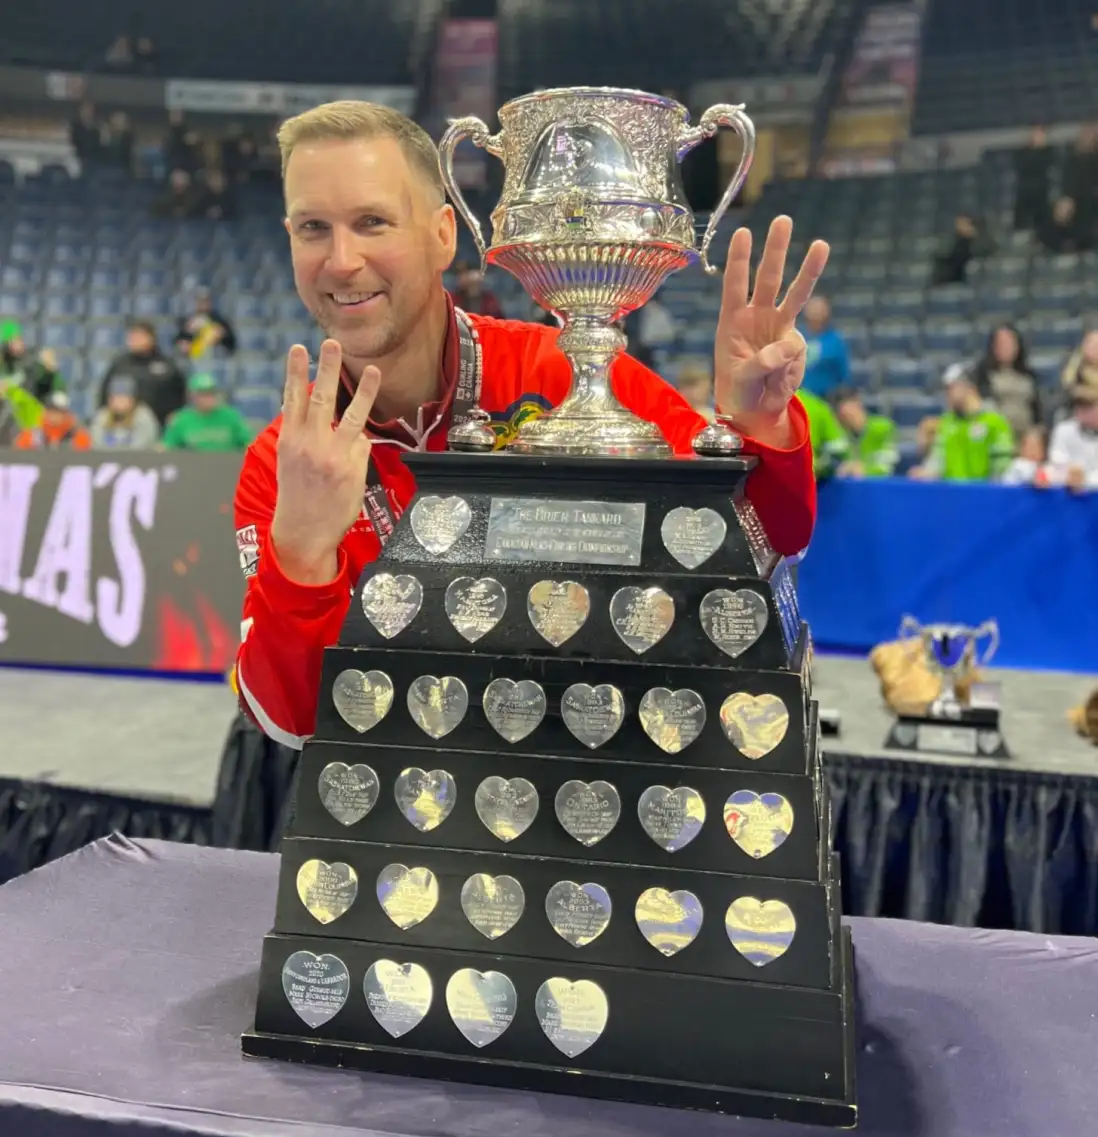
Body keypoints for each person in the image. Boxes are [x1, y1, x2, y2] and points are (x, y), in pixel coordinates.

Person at [231, 101, 827, 749]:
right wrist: (300, 556)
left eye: (372, 222)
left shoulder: (566, 372)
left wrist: (760, 427)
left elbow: (772, 541)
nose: (341, 261)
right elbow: (292, 723)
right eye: (313, 228)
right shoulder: (282, 463)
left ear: (442, 235)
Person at [909, 363, 1014, 482]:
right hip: (952, 495)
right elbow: (938, 459)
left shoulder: (995, 422)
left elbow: (1001, 469)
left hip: (983, 495)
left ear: (970, 388)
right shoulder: (947, 422)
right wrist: (927, 473)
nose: (947, 394)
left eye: (952, 388)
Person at [99, 319, 187, 426]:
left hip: (161, 424)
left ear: (151, 338)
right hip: (125, 426)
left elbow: (181, 393)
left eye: (138, 337)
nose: (132, 340)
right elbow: (105, 393)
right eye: (131, 337)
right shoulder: (119, 365)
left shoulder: (167, 365)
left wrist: (177, 414)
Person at [972, 323, 1042, 437]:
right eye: (1001, 343)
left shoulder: (1028, 375)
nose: (1006, 347)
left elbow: (1037, 411)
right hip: (996, 435)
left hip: (1027, 437)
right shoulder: (983, 374)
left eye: (1010, 343)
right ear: (993, 347)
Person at [162, 372, 255, 451]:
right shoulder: (181, 419)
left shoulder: (231, 416)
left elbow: (249, 444)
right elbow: (167, 447)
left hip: (228, 467)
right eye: (203, 394)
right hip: (193, 469)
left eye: (212, 392)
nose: (208, 397)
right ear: (192, 397)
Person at [832, 386, 898, 477]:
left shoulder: (883, 427)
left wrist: (864, 470)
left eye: (851, 406)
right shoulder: (838, 431)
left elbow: (886, 466)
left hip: (877, 485)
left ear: (859, 404)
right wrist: (842, 468)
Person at [799, 296, 850, 399]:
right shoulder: (797, 336)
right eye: (813, 307)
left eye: (819, 308)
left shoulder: (835, 340)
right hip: (799, 397)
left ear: (826, 312)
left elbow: (843, 374)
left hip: (826, 399)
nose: (815, 312)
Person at [89, 376, 161, 449]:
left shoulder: (143, 416)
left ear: (133, 400)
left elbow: (142, 448)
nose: (119, 402)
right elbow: (97, 446)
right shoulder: (102, 417)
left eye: (124, 397)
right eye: (115, 398)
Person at [795, 388, 849, 480]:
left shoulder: (763, 402)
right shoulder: (817, 406)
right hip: (806, 481)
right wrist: (818, 467)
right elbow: (838, 450)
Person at [1048, 396, 1098, 493]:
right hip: (1067, 495)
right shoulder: (1063, 430)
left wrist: (1086, 481)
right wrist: (1069, 476)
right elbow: (1057, 462)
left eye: (1090, 408)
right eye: (1080, 407)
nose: (1084, 413)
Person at [175, 287, 238, 360]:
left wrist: (221, 335)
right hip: (193, 362)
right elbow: (179, 341)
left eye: (206, 300)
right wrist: (189, 330)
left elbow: (231, 342)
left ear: (210, 302)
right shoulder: (188, 320)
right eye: (200, 301)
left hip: (215, 361)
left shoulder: (220, 320)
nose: (203, 304)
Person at [13, 395, 92, 450]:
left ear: (67, 414)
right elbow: (18, 459)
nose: (54, 415)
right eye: (51, 410)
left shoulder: (79, 437)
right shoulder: (31, 436)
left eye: (59, 412)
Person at [1013, 126, 1052, 231]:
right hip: (1025, 193)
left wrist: (1040, 150)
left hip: (1041, 194)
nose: (1041, 137)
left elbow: (1046, 167)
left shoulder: (1049, 152)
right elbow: (1023, 169)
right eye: (1038, 134)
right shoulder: (1021, 153)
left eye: (1043, 135)